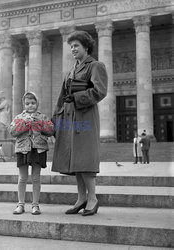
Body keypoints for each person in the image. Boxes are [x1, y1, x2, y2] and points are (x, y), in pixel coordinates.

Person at [52, 30, 108, 216]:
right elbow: (61, 98)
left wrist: (76, 97)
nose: (73, 49)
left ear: (86, 47)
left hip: (85, 118)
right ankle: (81, 198)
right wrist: (55, 120)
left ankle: (92, 198)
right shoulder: (71, 71)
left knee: (85, 158)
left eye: (76, 45)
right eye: (71, 46)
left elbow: (99, 91)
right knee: (75, 160)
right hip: (69, 119)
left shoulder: (95, 66)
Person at [9, 92, 54, 215]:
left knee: (36, 178)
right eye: (27, 103)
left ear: (37, 104)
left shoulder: (43, 117)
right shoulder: (18, 117)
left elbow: (51, 130)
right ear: (23, 104)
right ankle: (20, 204)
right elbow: (12, 131)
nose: (30, 106)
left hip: (38, 149)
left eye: (33, 103)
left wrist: (39, 125)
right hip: (23, 149)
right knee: (22, 178)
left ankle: (35, 205)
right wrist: (24, 124)